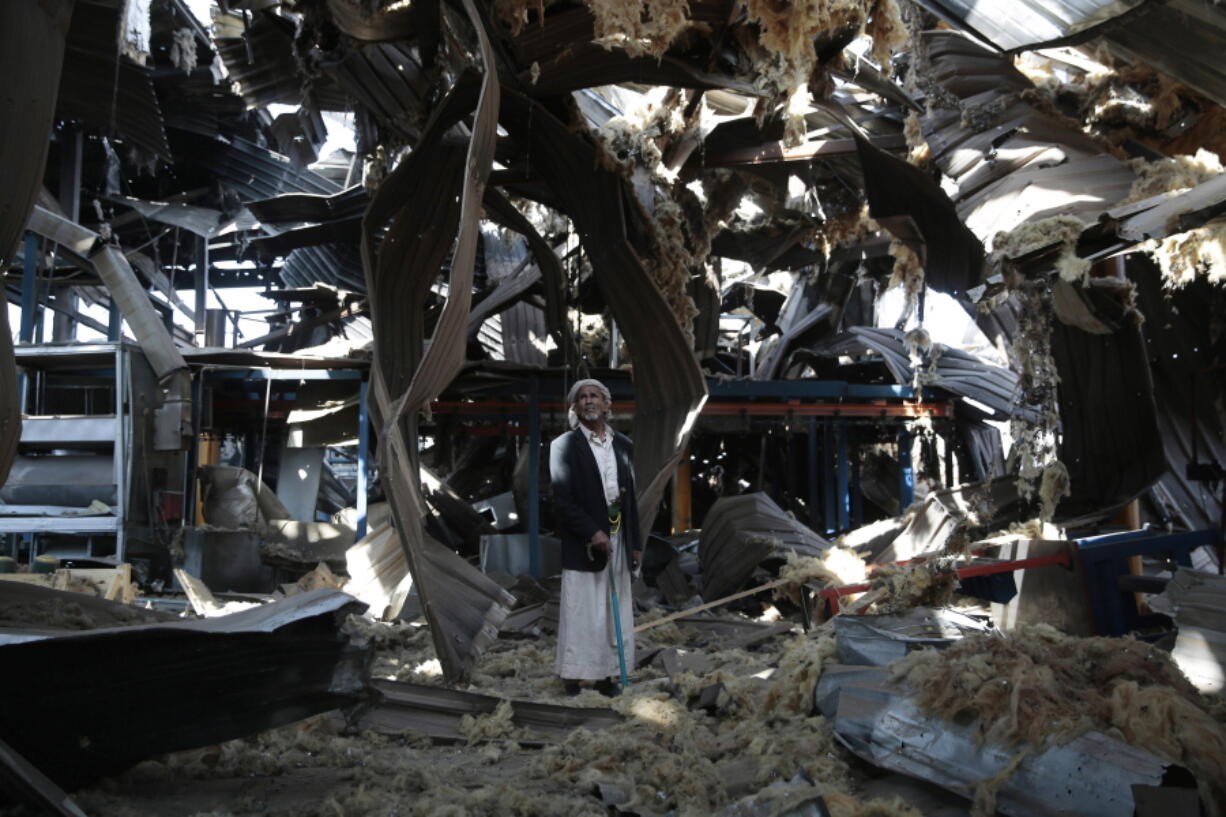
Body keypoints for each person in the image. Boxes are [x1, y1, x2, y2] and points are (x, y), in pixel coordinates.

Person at [549, 378, 641, 696]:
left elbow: (631, 502)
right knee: (582, 610)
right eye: (582, 397)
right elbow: (562, 500)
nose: (589, 401)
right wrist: (593, 531)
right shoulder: (563, 447)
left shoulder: (624, 445)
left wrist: (637, 544)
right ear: (575, 407)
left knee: (614, 609)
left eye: (595, 396)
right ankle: (574, 677)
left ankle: (608, 677)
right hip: (585, 544)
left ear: (606, 404)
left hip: (619, 540)